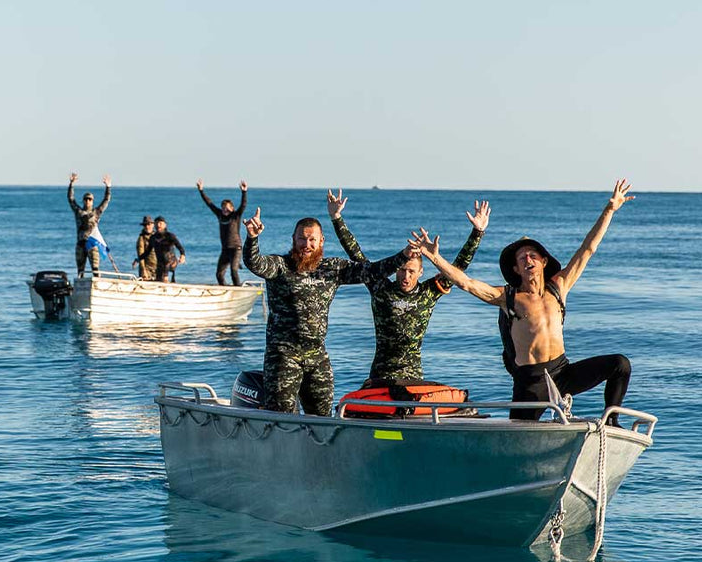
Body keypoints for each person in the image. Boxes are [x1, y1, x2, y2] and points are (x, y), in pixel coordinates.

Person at [411, 180, 636, 420]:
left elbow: (588, 249)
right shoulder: (507, 297)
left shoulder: (559, 287)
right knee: (518, 433)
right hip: (531, 381)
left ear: (543, 262)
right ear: (517, 269)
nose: (528, 259)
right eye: (522, 258)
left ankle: (611, 420)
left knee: (620, 364)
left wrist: (609, 210)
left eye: (533, 255)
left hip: (562, 372)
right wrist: (436, 258)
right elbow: (466, 283)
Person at [243, 206, 411, 416]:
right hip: (284, 356)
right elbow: (255, 263)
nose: (307, 245)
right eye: (302, 239)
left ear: (321, 241)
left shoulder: (332, 269)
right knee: (282, 418)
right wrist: (252, 239)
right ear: (293, 240)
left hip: (317, 357)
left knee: (323, 419)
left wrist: (403, 256)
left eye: (312, 240)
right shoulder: (280, 266)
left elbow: (372, 271)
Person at [327, 189, 489, 389]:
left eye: (411, 271)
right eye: (402, 270)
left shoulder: (428, 293)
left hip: (412, 376)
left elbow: (458, 269)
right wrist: (336, 217)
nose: (406, 276)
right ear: (396, 270)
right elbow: (356, 255)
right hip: (380, 374)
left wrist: (477, 232)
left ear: (421, 272)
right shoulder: (380, 286)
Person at [197, 178, 248, 285]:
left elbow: (243, 206)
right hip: (225, 249)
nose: (225, 209)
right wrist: (201, 190)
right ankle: (225, 290)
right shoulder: (219, 215)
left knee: (233, 271)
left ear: (232, 209)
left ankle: (237, 289)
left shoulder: (235, 216)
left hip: (236, 248)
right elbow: (209, 203)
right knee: (219, 274)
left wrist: (244, 192)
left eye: (227, 208)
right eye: (223, 207)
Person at [66, 172, 111, 278]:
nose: (87, 201)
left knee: (95, 270)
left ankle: (96, 287)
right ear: (83, 200)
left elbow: (106, 200)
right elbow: (71, 199)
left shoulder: (97, 212)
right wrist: (71, 184)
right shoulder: (78, 212)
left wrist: (108, 187)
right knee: (80, 271)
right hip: (81, 244)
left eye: (89, 199)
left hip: (92, 244)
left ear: (92, 201)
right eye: (86, 199)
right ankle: (80, 290)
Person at [139, 217, 186, 282]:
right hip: (160, 263)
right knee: (158, 279)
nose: (158, 225)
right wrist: (138, 259)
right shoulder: (153, 238)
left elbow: (180, 247)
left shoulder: (170, 236)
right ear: (154, 225)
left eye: (160, 223)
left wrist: (182, 255)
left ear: (165, 225)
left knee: (166, 258)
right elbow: (147, 252)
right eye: (157, 223)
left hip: (171, 262)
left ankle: (166, 277)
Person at [134, 216, 158, 280]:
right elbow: (141, 254)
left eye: (149, 224)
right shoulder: (141, 238)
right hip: (147, 269)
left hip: (158, 268)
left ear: (153, 225)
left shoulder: (157, 236)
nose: (147, 227)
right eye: (145, 225)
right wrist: (143, 270)